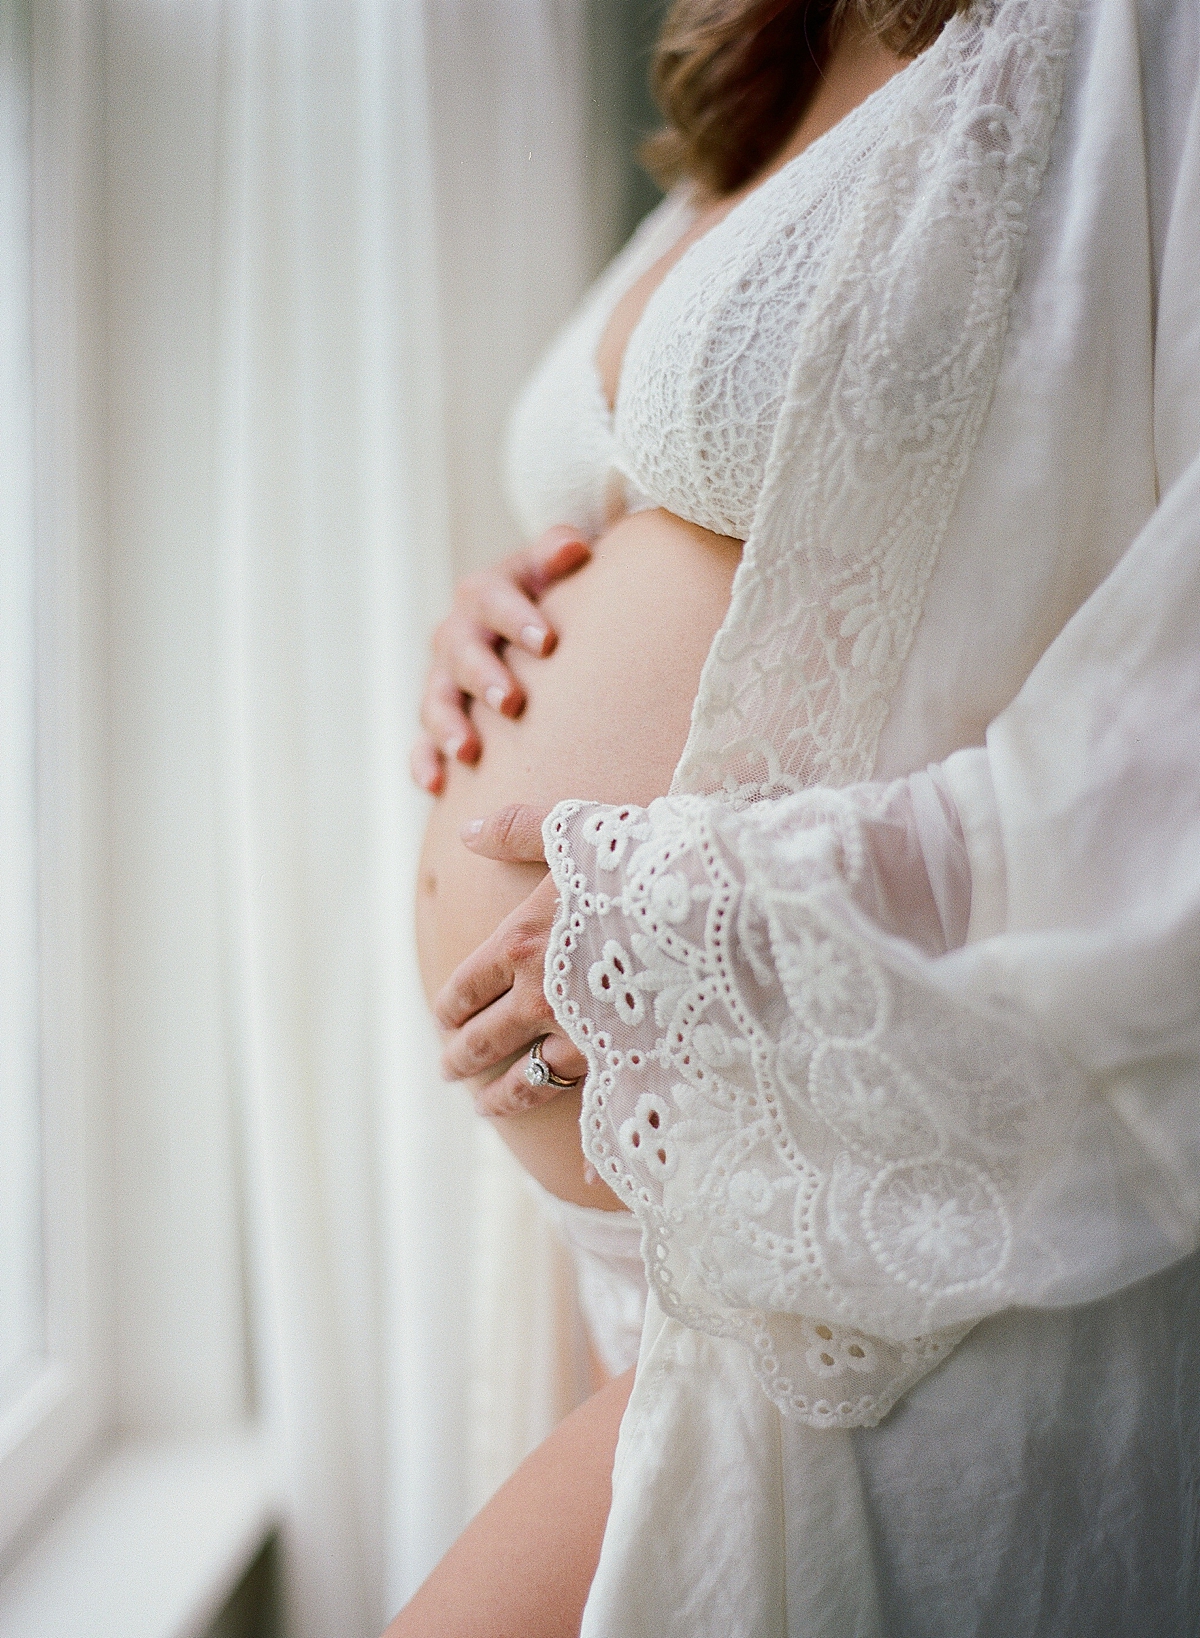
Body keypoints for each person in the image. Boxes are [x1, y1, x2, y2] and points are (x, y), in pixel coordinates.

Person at [396, 0, 1200, 1630]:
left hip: (874, 1213)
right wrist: (510, 594)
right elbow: (691, 515)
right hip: (627, 1225)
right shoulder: (763, 78)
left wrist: (712, 920)